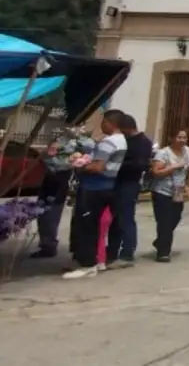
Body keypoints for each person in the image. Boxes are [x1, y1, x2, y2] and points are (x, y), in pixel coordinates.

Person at [63, 109, 127, 280]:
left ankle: (87, 264)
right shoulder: (121, 140)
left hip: (94, 188)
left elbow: (98, 166)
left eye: (103, 121)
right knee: (92, 225)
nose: (101, 125)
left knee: (87, 225)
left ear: (110, 123)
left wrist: (79, 166)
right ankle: (90, 261)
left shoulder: (109, 142)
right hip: (107, 186)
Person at [30, 127, 89, 259]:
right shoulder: (61, 141)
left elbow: (61, 164)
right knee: (44, 213)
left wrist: (58, 161)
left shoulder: (77, 144)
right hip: (50, 181)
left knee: (50, 214)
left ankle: (49, 245)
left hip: (59, 182)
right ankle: (47, 244)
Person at [105, 114, 152, 269]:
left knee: (126, 218)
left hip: (129, 184)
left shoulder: (142, 142)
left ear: (128, 128)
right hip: (118, 183)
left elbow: (140, 165)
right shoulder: (126, 140)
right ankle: (111, 251)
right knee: (114, 219)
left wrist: (117, 163)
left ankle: (127, 253)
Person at [150, 129, 189, 261]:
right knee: (164, 222)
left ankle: (160, 241)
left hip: (178, 192)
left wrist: (187, 186)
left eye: (184, 138)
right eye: (179, 137)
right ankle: (163, 253)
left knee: (175, 218)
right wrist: (173, 167)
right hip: (162, 191)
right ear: (172, 138)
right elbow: (156, 172)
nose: (182, 140)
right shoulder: (163, 153)